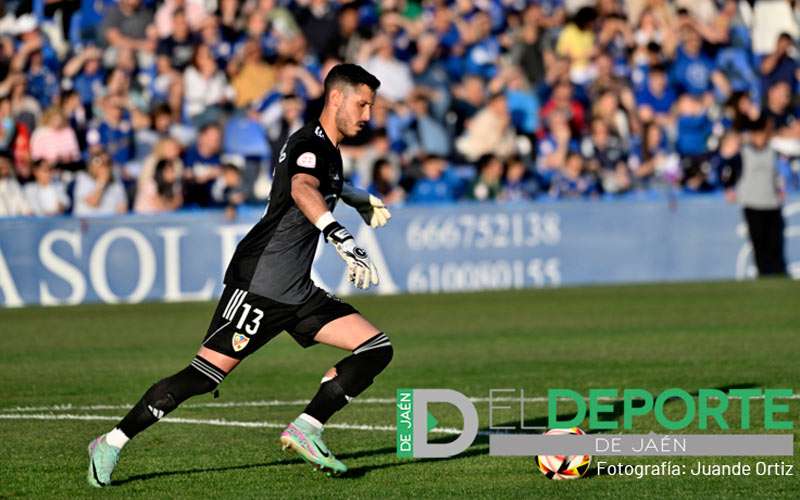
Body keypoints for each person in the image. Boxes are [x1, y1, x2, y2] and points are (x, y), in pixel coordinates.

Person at [86, 64, 394, 486]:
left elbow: (318, 184)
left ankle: (307, 428)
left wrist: (357, 198)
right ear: (335, 98)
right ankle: (111, 442)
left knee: (375, 348)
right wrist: (339, 234)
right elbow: (303, 187)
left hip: (297, 292)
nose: (367, 115)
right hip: (259, 284)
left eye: (371, 107)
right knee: (201, 377)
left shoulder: (330, 152)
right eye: (362, 104)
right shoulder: (309, 143)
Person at [726, 116, 787, 276]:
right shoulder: (743, 152)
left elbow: (778, 175)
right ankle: (764, 273)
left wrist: (780, 189)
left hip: (771, 202)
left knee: (775, 241)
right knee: (759, 242)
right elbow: (729, 171)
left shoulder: (773, 151)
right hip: (752, 203)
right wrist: (730, 188)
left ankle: (778, 272)